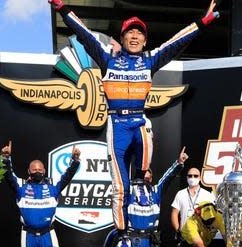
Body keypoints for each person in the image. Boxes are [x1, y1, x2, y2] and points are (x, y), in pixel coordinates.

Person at [48, 0, 219, 232]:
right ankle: (122, 235)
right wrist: (61, 8)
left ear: (145, 40)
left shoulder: (149, 60)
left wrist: (202, 22)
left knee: (145, 128)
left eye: (140, 33)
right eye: (130, 32)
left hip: (138, 120)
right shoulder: (108, 59)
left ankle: (140, 179)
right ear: (122, 37)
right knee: (120, 187)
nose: (135, 36)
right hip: (116, 125)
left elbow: (176, 42)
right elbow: (84, 33)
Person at [0, 139, 80, 247]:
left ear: (44, 171)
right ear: (29, 172)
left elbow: (67, 176)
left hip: (48, 235)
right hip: (28, 236)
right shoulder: (21, 186)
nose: (37, 172)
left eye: (40, 170)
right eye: (34, 170)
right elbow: (9, 176)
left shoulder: (53, 187)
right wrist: (5, 158)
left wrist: (75, 161)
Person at [104, 147, 187, 247]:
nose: (144, 181)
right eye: (143, 178)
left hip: (150, 242)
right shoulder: (128, 189)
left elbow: (167, 178)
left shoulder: (156, 191)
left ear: (151, 179)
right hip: (131, 241)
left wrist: (178, 163)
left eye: (147, 179)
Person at [171, 166, 216, 239]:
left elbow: (212, 215)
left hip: (202, 236)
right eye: (190, 176)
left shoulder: (207, 195)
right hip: (185, 236)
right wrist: (178, 230)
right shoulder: (180, 193)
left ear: (200, 178)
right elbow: (174, 213)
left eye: (195, 176)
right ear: (187, 178)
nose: (192, 178)